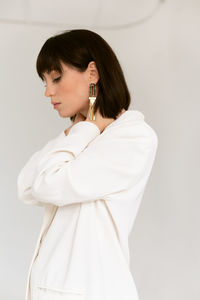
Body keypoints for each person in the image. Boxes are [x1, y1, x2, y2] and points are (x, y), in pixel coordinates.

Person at [17, 29, 158, 300]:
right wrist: (85, 127)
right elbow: (25, 185)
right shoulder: (83, 134)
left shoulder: (133, 137)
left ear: (92, 74)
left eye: (56, 78)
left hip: (90, 291)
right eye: (44, 81)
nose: (48, 92)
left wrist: (86, 129)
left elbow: (48, 185)